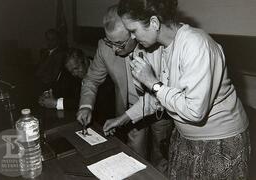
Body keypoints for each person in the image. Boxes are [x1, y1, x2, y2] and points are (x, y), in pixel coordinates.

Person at [103, 0, 251, 179]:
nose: (132, 37)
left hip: (219, 140)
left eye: (133, 30)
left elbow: (194, 111)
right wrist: (123, 119)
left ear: (154, 23)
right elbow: (160, 98)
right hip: (185, 137)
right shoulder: (159, 48)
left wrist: (153, 83)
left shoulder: (196, 44)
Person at [76, 5, 173, 170]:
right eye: (110, 42)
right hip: (130, 114)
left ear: (133, 33)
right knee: (134, 159)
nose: (114, 49)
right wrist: (86, 106)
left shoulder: (157, 45)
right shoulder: (105, 47)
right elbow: (91, 79)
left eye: (119, 43)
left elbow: (160, 95)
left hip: (160, 110)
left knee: (161, 159)